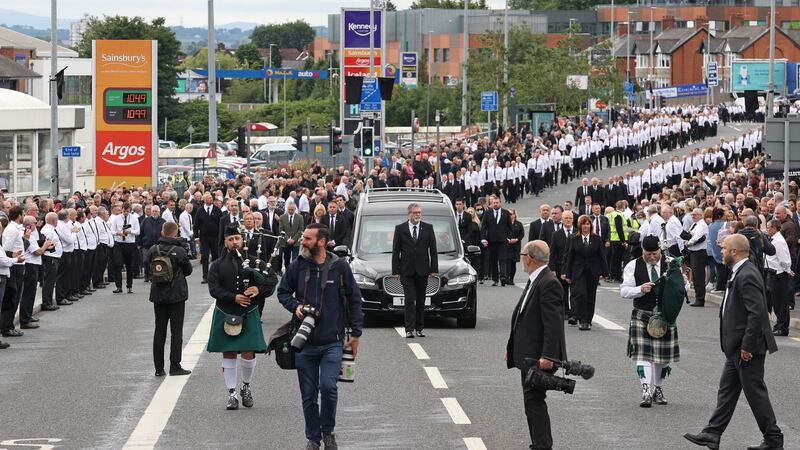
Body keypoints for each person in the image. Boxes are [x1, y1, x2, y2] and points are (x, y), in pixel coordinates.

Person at [685, 234, 783, 450]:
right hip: (736, 347)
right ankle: (712, 433)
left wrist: (747, 346)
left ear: (734, 252)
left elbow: (757, 314)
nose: (721, 251)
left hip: (746, 347)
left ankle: (774, 439)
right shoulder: (739, 271)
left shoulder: (747, 274)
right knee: (727, 391)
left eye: (724, 249)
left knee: (755, 393)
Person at [277, 223, 364, 450]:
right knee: (308, 395)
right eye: (303, 238)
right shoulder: (298, 266)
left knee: (328, 387)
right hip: (303, 342)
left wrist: (356, 334)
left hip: (332, 342)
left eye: (307, 238)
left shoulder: (340, 267)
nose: (301, 242)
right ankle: (313, 438)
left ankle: (328, 432)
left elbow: (355, 300)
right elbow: (282, 292)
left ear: (321, 242)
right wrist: (295, 306)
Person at [505, 240, 566, 450]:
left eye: (523, 255)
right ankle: (539, 443)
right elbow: (523, 318)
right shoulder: (537, 279)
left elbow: (554, 324)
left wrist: (548, 356)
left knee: (534, 400)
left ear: (529, 258)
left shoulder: (548, 282)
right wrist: (512, 348)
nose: (522, 259)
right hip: (529, 353)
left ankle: (542, 445)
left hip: (539, 356)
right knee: (531, 401)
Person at [207, 225, 271, 410]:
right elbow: (213, 289)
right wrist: (233, 297)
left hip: (249, 312)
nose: (234, 242)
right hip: (226, 312)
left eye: (237, 238)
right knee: (228, 352)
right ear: (225, 242)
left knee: (248, 352)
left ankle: (246, 386)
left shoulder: (255, 262)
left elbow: (272, 281)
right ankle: (232, 394)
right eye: (230, 239)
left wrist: (259, 289)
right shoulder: (217, 265)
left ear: (242, 240)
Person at [620, 235, 679, 408]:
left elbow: (683, 288)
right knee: (643, 355)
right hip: (642, 313)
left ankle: (658, 389)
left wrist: (682, 283)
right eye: (648, 254)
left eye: (655, 253)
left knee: (662, 358)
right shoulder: (633, 265)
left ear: (660, 250)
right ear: (643, 251)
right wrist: (640, 289)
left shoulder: (671, 263)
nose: (652, 257)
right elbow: (624, 291)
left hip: (665, 315)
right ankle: (646, 391)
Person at [144, 221, 193, 377]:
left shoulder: (153, 249)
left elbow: (147, 269)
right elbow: (188, 270)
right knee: (176, 331)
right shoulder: (179, 250)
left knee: (159, 331)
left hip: (158, 294)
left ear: (163, 232)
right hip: (177, 294)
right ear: (175, 233)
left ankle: (159, 368)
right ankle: (175, 366)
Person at [392, 203, 438, 338]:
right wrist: (395, 270)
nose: (418, 214)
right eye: (415, 212)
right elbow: (396, 251)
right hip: (406, 271)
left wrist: (434, 269)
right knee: (410, 299)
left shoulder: (428, 228)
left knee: (421, 300)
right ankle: (409, 329)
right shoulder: (400, 229)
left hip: (423, 271)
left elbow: (433, 250)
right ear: (409, 214)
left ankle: (420, 328)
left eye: (419, 212)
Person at [563, 214, 608, 331]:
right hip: (578, 271)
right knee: (581, 294)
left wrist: (605, 272)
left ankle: (588, 320)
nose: (585, 226)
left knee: (590, 296)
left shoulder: (597, 239)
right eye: (583, 224)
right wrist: (567, 274)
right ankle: (582, 320)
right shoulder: (573, 238)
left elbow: (602, 256)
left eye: (587, 224)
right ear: (580, 226)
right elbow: (569, 257)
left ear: (590, 226)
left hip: (593, 272)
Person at [0, 206, 28, 337]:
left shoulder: (16, 229)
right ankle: (7, 327)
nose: (23, 216)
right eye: (23, 214)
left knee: (14, 297)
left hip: (17, 264)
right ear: (18, 215)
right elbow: (5, 250)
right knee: (12, 298)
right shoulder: (12, 230)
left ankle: (8, 325)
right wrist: (14, 256)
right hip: (14, 266)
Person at [765, 219, 792, 337]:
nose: (767, 229)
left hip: (779, 274)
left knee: (781, 303)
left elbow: (784, 258)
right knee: (776, 302)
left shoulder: (779, 241)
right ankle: (778, 325)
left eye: (768, 227)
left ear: (774, 228)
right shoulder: (773, 239)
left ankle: (783, 328)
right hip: (773, 273)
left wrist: (787, 270)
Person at [549, 211, 576, 324]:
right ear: (562, 220)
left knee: (575, 291)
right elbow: (553, 253)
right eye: (566, 218)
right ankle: (565, 311)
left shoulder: (578, 233)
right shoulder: (556, 234)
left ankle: (574, 313)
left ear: (573, 219)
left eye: (570, 218)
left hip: (575, 267)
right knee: (563, 291)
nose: (568, 220)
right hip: (561, 267)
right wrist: (552, 269)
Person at [109, 203, 140, 294]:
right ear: (122, 209)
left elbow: (138, 231)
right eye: (124, 211)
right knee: (118, 264)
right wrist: (117, 233)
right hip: (119, 243)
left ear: (130, 210)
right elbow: (111, 230)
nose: (126, 213)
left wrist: (130, 231)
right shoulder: (117, 218)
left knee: (129, 266)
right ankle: (118, 286)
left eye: (127, 211)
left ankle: (129, 286)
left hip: (130, 243)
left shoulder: (134, 218)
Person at [481, 196, 513, 286]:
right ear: (492, 203)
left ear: (500, 203)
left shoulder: (506, 213)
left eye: (497, 202)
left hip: (503, 241)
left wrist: (508, 238)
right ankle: (495, 279)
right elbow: (483, 227)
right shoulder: (487, 213)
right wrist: (483, 239)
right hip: (492, 241)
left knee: (502, 259)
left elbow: (510, 228)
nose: (495, 204)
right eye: (494, 203)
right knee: (493, 260)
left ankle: (503, 277)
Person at [684, 208, 709, 307]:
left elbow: (696, 237)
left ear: (700, 215)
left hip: (699, 252)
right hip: (694, 252)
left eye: (695, 215)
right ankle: (698, 297)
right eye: (692, 215)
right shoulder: (695, 224)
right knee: (695, 275)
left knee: (699, 276)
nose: (693, 216)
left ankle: (700, 299)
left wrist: (688, 243)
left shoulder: (702, 225)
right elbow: (690, 233)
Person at [195, 192, 223, 283]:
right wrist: (196, 237)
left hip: (215, 237)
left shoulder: (217, 210)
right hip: (204, 237)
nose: (210, 199)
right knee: (205, 256)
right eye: (208, 198)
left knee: (216, 256)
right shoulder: (200, 210)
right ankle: (205, 276)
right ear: (204, 199)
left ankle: (217, 275)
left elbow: (221, 223)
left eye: (211, 198)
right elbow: (196, 224)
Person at [39, 212, 63, 311]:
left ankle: (48, 301)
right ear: (54, 220)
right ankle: (46, 302)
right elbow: (47, 243)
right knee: (49, 281)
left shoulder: (50, 229)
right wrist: (53, 247)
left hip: (53, 257)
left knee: (51, 281)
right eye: (56, 220)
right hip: (50, 258)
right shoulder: (47, 230)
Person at [140, 205, 165, 283]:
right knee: (146, 261)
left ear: (159, 212)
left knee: (156, 261)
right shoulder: (145, 221)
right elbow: (141, 232)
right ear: (151, 212)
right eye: (153, 211)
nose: (154, 213)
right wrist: (139, 243)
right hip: (147, 245)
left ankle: (154, 275)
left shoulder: (163, 221)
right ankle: (147, 274)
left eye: (156, 211)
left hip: (158, 245)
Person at [280, 201, 305, 268]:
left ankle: (294, 272)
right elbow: (281, 230)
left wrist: (294, 239)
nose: (290, 211)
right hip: (285, 242)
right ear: (287, 209)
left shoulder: (300, 217)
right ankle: (287, 271)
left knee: (295, 259)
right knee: (286, 259)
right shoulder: (282, 217)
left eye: (292, 209)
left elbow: (301, 230)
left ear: (295, 209)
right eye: (289, 209)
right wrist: (287, 239)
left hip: (296, 242)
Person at [507, 209, 525, 284]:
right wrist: (508, 240)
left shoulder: (519, 224)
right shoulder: (505, 224)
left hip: (515, 246)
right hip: (507, 246)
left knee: (513, 264)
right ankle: (506, 277)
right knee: (507, 263)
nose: (510, 216)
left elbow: (522, 234)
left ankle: (511, 279)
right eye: (508, 214)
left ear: (514, 215)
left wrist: (517, 239)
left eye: (511, 214)